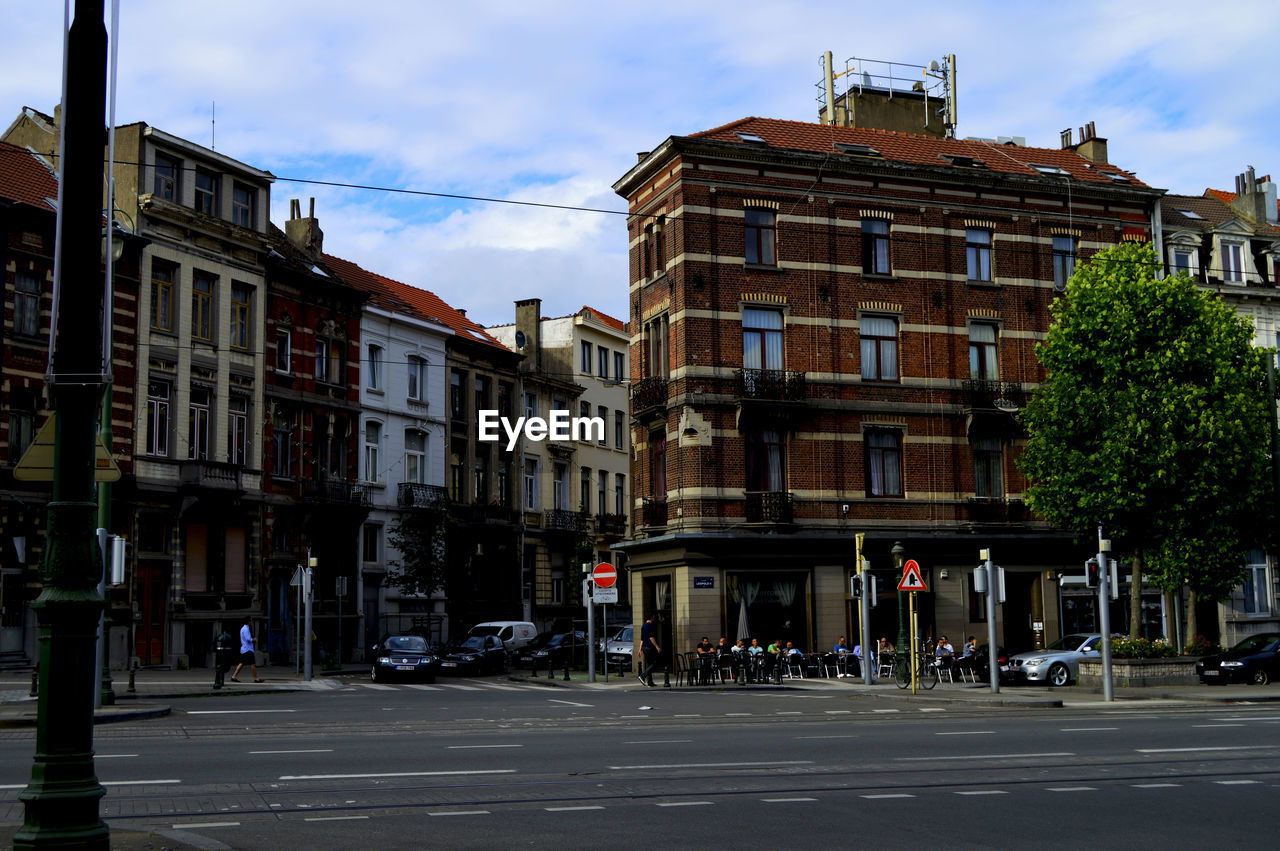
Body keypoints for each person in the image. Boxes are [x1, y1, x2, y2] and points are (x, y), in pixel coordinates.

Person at [231, 616, 262, 683]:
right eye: (251, 620)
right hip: (248, 649)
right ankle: (256, 678)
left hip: (244, 649)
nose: (251, 622)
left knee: (241, 663)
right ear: (248, 622)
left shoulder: (243, 628)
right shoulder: (246, 629)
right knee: (252, 664)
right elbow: (248, 639)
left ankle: (234, 676)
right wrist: (254, 639)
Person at [638, 615, 661, 687]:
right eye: (653, 617)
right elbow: (651, 638)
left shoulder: (643, 626)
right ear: (651, 618)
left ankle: (650, 682)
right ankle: (643, 675)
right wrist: (657, 647)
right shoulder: (650, 625)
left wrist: (640, 649)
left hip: (644, 647)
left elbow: (642, 639)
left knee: (649, 664)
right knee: (654, 663)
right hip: (649, 647)